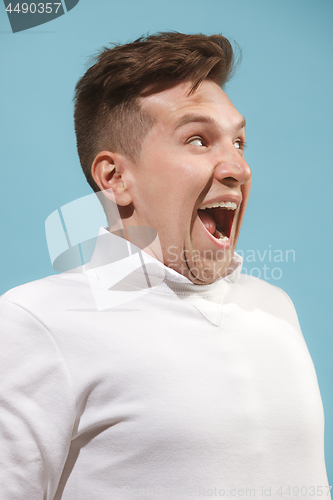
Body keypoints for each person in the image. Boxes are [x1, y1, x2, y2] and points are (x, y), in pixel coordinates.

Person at [0, 32, 330, 499]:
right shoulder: (36, 322)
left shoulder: (274, 308)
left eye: (239, 141)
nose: (237, 166)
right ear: (115, 179)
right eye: (198, 140)